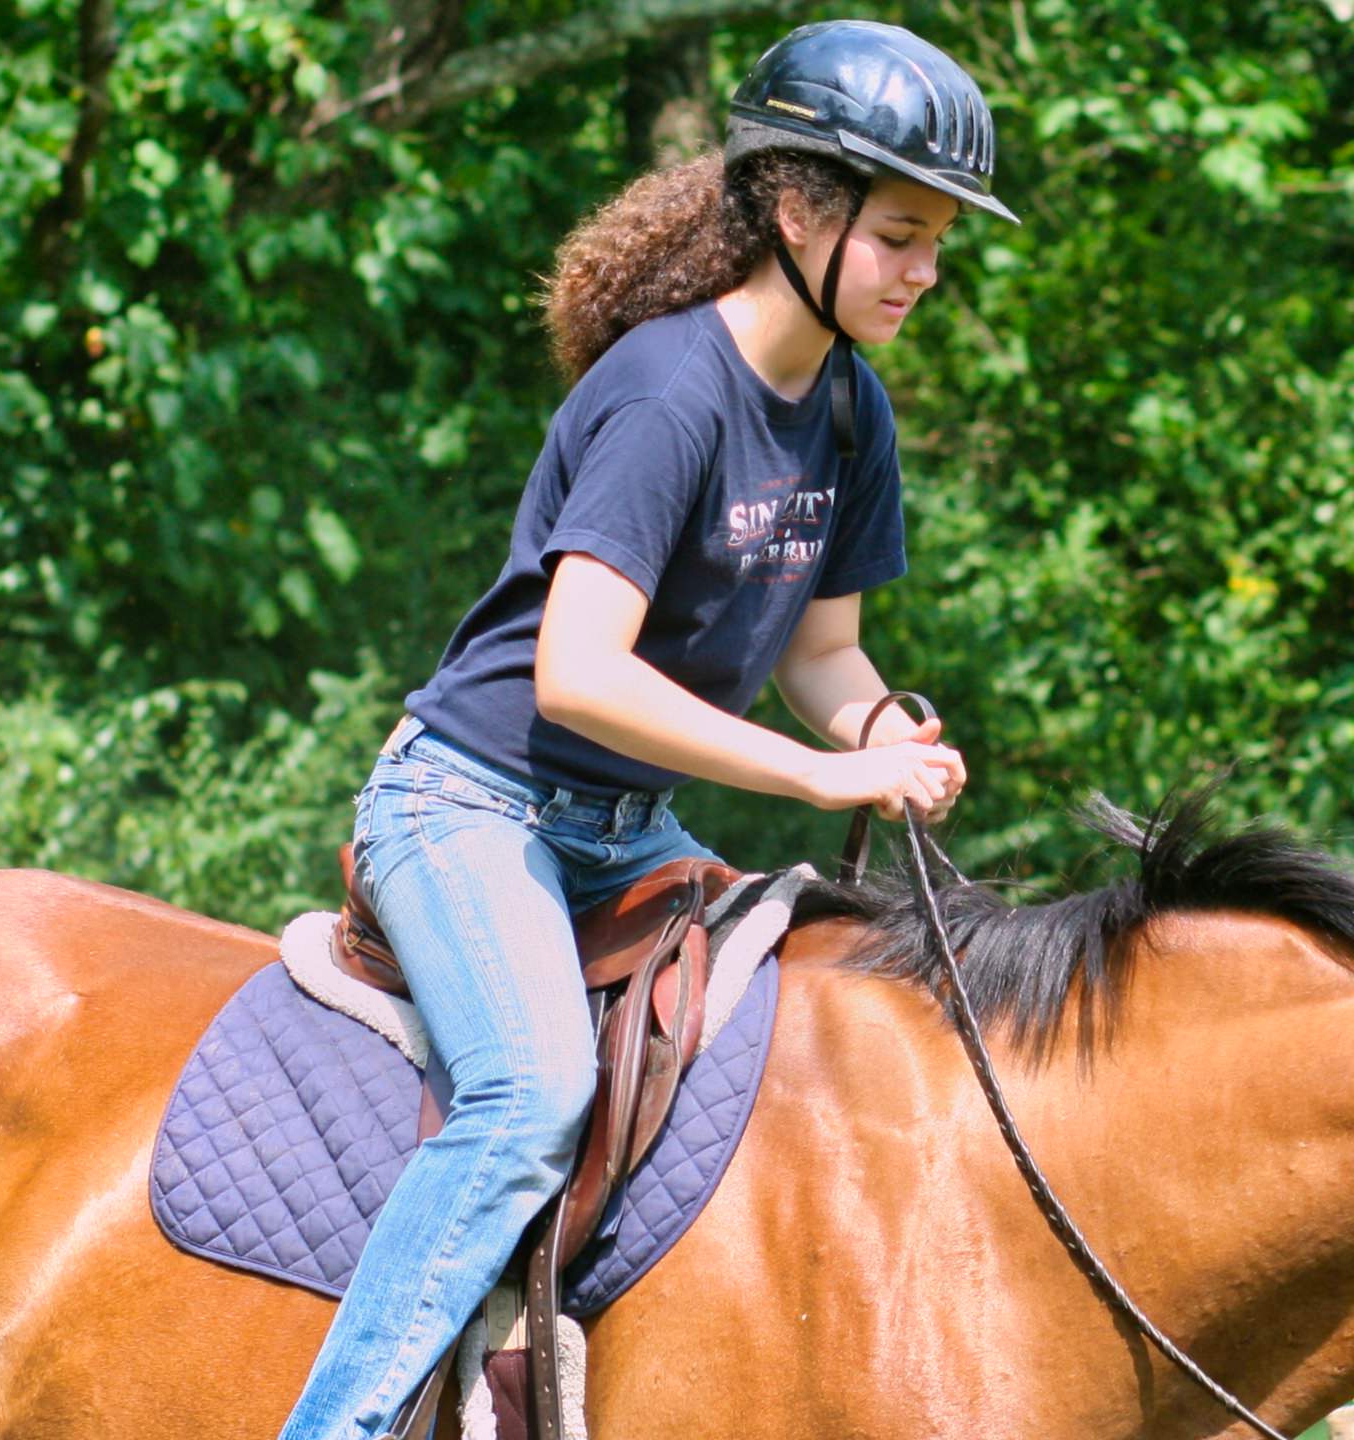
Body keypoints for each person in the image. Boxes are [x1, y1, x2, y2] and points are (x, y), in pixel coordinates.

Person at [277, 19, 1018, 1440]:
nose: (930, 270)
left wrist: (884, 735)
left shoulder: (850, 408)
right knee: (531, 1096)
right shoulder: (670, 391)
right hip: (472, 806)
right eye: (906, 235)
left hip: (627, 835)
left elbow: (825, 650)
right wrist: (818, 772)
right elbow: (579, 676)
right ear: (800, 211)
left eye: (940, 242)